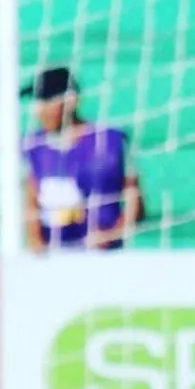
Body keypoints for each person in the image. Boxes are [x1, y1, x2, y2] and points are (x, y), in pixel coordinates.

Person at [20, 67, 144, 252]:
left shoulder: (110, 140)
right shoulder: (32, 146)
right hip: (53, 255)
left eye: (46, 101)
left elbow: (135, 199)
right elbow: (31, 199)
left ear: (70, 101)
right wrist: (36, 243)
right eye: (38, 102)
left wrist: (112, 234)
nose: (39, 110)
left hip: (105, 256)